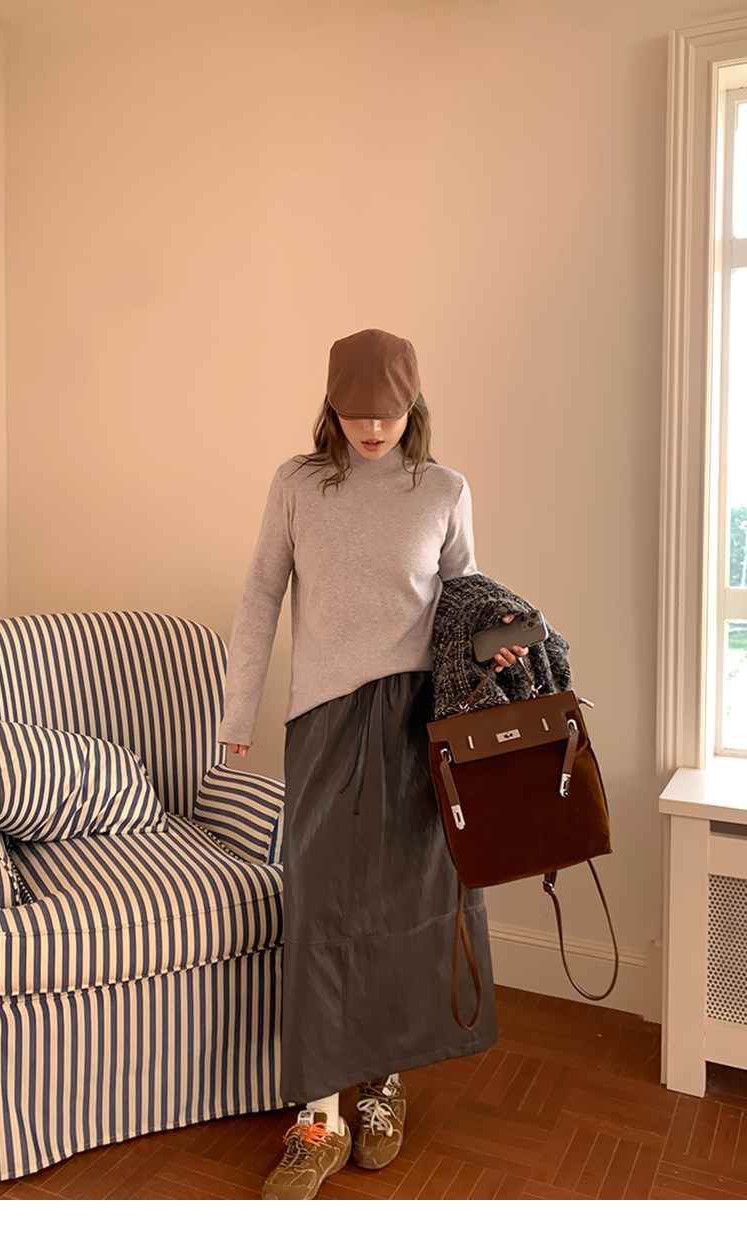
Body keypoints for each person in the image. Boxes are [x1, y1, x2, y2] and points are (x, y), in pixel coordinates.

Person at [216, 328, 528, 1201]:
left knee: (406, 908)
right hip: (324, 721)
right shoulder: (298, 486)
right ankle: (320, 1116)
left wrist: (498, 642)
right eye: (356, 414)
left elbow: (466, 596)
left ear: (412, 404)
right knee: (321, 911)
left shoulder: (445, 490)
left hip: (419, 725)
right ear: (332, 407)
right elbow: (260, 594)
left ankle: (385, 1083)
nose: (373, 428)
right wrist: (239, 710)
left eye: (388, 413)